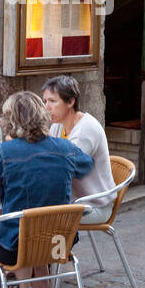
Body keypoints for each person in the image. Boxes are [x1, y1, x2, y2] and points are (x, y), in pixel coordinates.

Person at [0, 91, 93, 288]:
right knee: (25, 225)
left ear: (10, 121)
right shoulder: (65, 148)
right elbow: (86, 165)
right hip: (59, 244)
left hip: (16, 248)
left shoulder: (5, 153)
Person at [41, 75, 117, 225]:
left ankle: (54, 249)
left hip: (94, 205)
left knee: (38, 217)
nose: (46, 107)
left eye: (53, 101)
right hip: (75, 201)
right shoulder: (58, 124)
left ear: (70, 101)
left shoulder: (85, 130)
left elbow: (63, 170)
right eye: (45, 101)